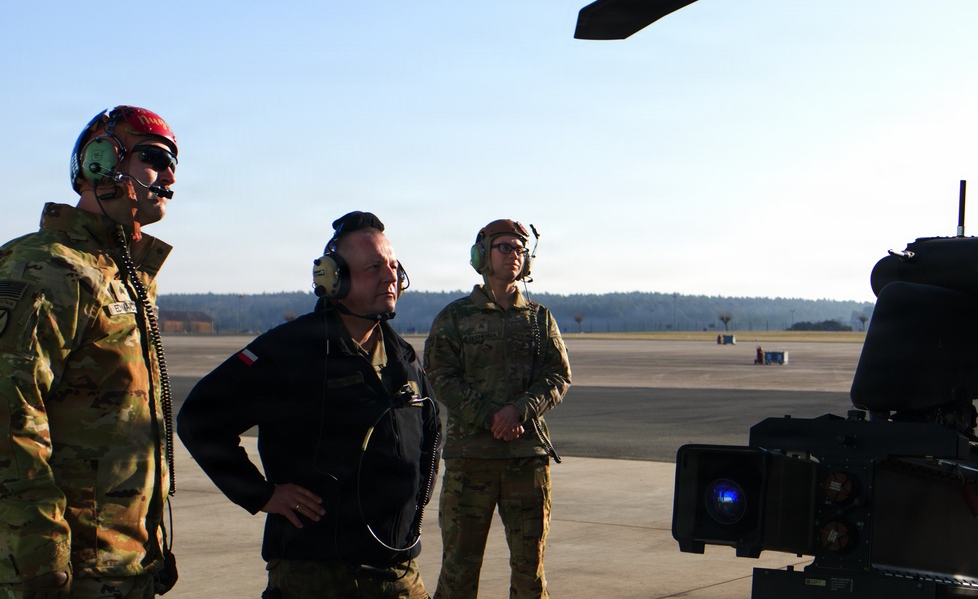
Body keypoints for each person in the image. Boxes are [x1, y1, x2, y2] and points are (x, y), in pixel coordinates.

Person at [176, 211, 441, 599]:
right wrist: (262, 494)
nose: (390, 277)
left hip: (397, 572)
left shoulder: (403, 357)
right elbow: (200, 420)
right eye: (373, 267)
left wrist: (415, 502)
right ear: (334, 278)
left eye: (393, 266)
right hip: (315, 575)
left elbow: (431, 432)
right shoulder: (289, 349)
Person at [0, 105, 181, 598]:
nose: (168, 174)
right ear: (100, 161)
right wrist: (41, 557)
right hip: (65, 575)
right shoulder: (48, 267)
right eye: (154, 157)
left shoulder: (124, 277)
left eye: (173, 164)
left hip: (124, 567)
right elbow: (9, 415)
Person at [424, 219, 571, 599]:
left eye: (520, 249)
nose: (514, 254)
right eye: (504, 247)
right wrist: (491, 416)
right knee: (459, 568)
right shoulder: (454, 318)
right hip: (471, 462)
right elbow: (441, 377)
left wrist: (519, 410)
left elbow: (558, 376)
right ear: (482, 255)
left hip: (527, 461)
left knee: (529, 570)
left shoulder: (540, 319)